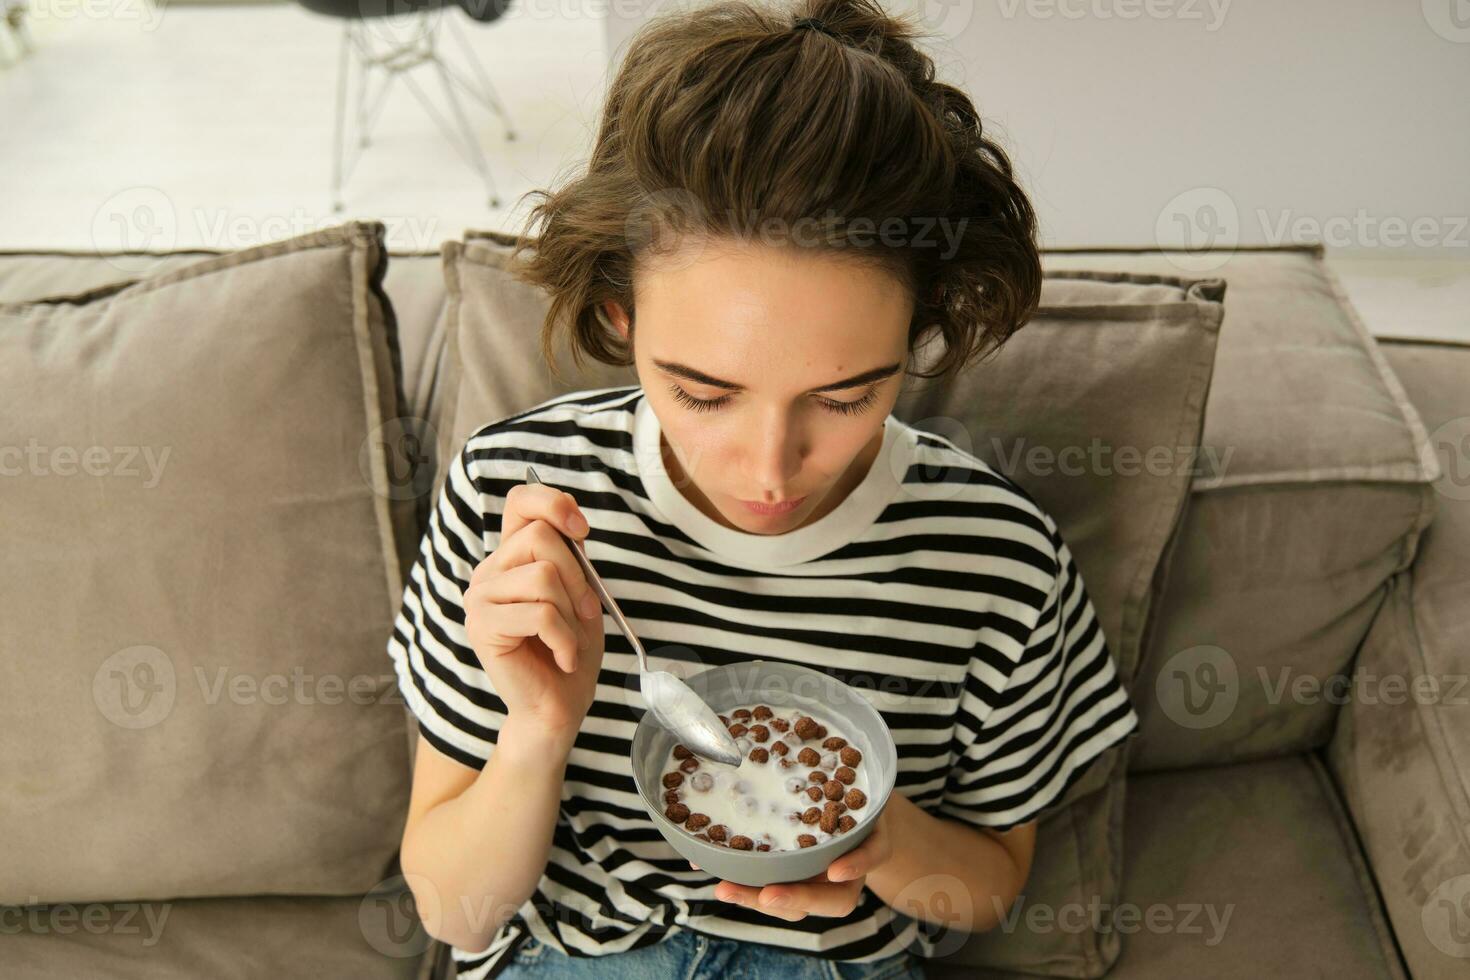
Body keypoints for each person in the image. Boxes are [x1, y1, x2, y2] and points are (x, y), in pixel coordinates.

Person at [385, 2, 1141, 978]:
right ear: (620, 314)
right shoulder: (512, 500)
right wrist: (538, 725)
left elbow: (987, 886)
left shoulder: (999, 560)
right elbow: (456, 908)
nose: (770, 470)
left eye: (845, 394)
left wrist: (874, 839)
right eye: (704, 392)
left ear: (920, 329)